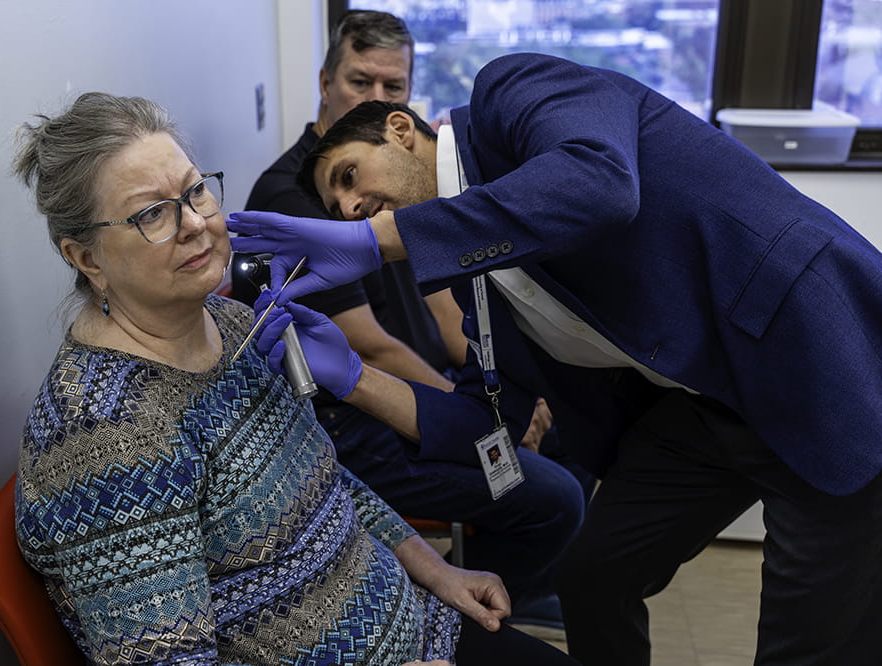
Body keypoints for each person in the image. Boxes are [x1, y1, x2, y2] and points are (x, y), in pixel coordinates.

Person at [228, 52, 882, 666]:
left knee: (809, 639)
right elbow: (487, 424)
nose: (347, 208)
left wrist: (378, 241)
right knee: (593, 576)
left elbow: (601, 186)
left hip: (810, 358)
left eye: (348, 177)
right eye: (336, 207)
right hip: (704, 407)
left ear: (401, 129)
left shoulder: (511, 94)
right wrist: (352, 375)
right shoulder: (470, 276)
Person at [11, 91, 578, 666]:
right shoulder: (106, 438)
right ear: (87, 258)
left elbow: (326, 484)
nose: (195, 224)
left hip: (421, 625)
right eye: (151, 213)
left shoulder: (231, 324)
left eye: (195, 191)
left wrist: (434, 570)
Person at [240, 9, 587, 626]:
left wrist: (499, 389)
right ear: (325, 82)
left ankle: (512, 579)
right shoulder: (303, 198)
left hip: (424, 389)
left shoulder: (394, 176)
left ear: (405, 106)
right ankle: (485, 605)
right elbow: (368, 349)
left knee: (576, 426)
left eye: (390, 86)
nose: (371, 97)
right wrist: (484, 422)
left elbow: (444, 297)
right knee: (554, 495)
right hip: (360, 425)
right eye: (358, 81)